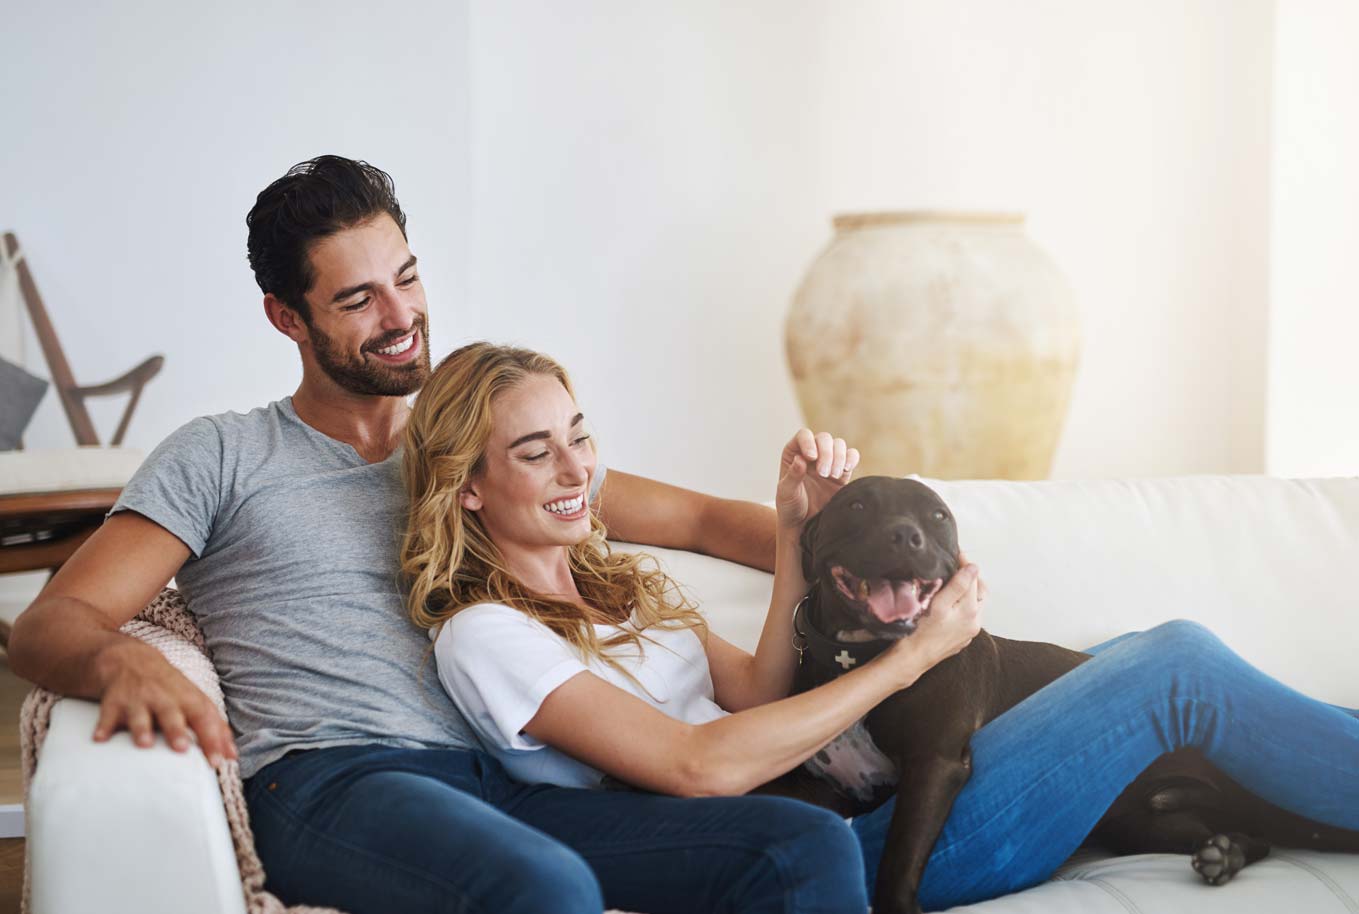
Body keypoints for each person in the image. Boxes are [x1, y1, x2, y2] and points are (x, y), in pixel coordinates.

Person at [6, 155, 837, 914]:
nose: (402, 316)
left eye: (406, 278)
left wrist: (854, 547)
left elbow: (701, 519)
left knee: (792, 845)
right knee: (542, 886)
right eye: (357, 299)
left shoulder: (479, 440)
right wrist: (123, 661)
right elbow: (52, 621)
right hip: (335, 780)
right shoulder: (224, 454)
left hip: (494, 779)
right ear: (287, 319)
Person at [405, 341, 1359, 912]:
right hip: (846, 847)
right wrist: (918, 658)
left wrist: (791, 533)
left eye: (580, 436)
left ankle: (1269, 813)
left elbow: (767, 697)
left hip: (852, 806)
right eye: (536, 453)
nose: (577, 471)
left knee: (1113, 658)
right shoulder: (485, 636)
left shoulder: (616, 594)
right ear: (471, 488)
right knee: (1173, 667)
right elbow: (704, 767)